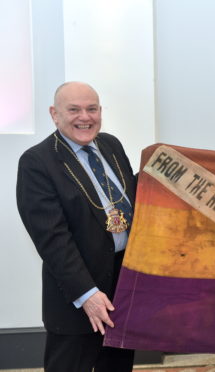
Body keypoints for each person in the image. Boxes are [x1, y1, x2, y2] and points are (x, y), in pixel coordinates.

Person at [16, 82, 136, 371]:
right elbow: (52, 239)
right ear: (54, 114)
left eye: (92, 109)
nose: (85, 117)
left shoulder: (111, 145)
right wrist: (88, 295)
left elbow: (131, 195)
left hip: (123, 289)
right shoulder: (37, 162)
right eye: (74, 110)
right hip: (78, 296)